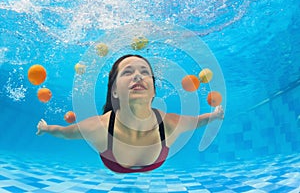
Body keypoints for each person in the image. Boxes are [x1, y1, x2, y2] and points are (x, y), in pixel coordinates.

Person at [36, 54, 224, 173]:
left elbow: (197, 121)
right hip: (115, 165)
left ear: (153, 92)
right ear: (115, 91)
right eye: (127, 72)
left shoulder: (169, 124)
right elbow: (63, 132)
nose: (138, 76)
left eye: (144, 72)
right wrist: (45, 128)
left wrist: (215, 115)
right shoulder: (99, 127)